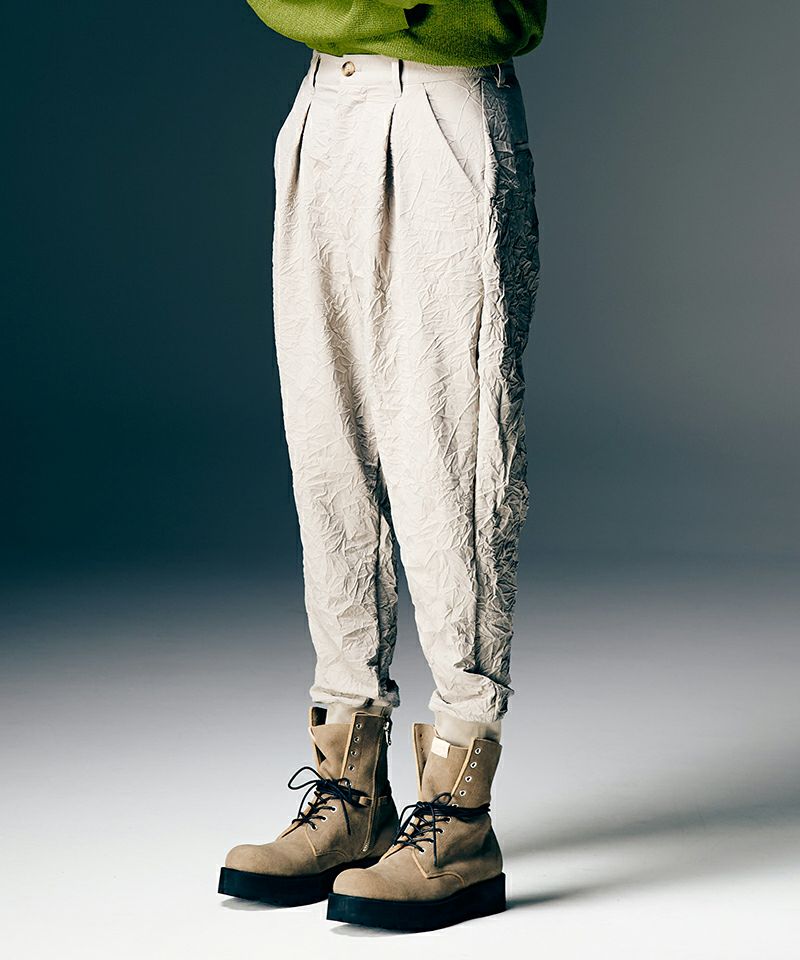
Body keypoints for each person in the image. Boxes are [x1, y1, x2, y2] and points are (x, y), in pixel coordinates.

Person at [218, 1, 546, 932]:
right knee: (328, 457)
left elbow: (489, 12)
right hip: (327, 109)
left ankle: (459, 815)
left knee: (453, 458)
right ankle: (350, 795)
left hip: (447, 108)